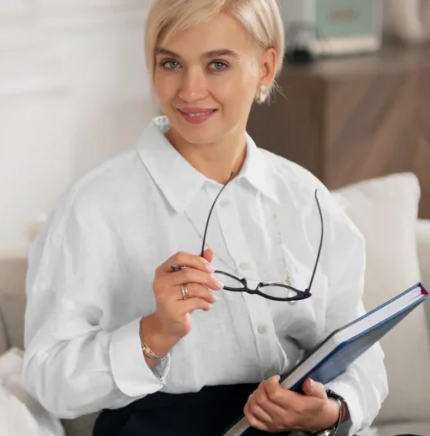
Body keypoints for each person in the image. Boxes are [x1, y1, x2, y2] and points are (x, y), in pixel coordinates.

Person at [21, 0, 388, 435]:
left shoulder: (306, 199)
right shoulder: (94, 206)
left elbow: (360, 352)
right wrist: (153, 334)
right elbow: (48, 379)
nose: (190, 91)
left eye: (217, 65)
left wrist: (332, 410)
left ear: (265, 68)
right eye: (171, 63)